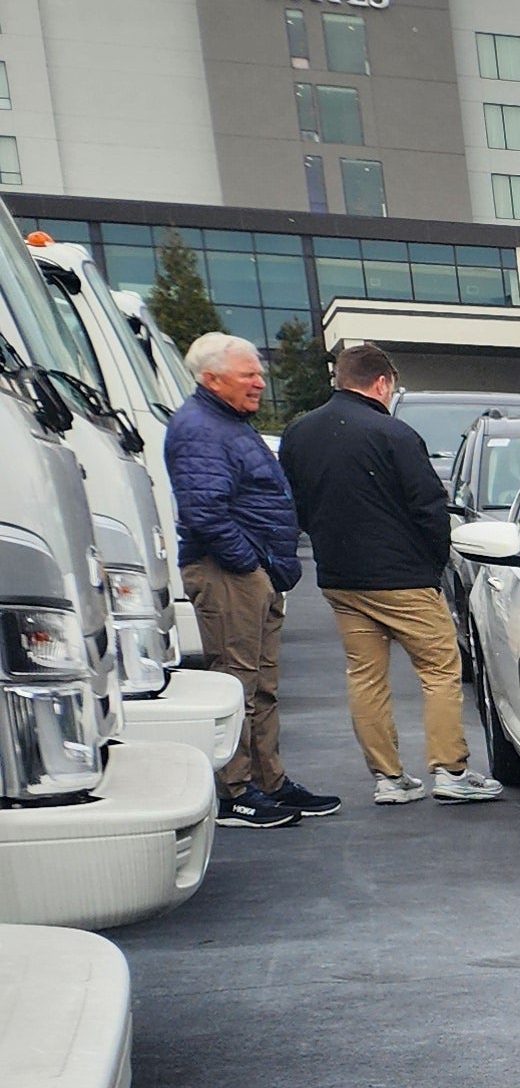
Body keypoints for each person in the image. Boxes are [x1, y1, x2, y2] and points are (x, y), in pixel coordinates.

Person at [277, 340, 503, 805]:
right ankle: (449, 768)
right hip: (403, 577)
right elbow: (428, 507)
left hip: (340, 576)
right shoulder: (395, 435)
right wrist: (434, 562)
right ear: (382, 383)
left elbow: (296, 506)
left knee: (365, 675)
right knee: (440, 668)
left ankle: (388, 778)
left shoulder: (299, 434)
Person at [160, 333, 336, 829]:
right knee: (237, 682)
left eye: (259, 373)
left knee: (261, 684)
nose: (260, 382)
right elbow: (203, 510)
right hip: (229, 574)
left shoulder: (226, 423)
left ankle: (270, 782)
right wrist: (249, 565)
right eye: (248, 375)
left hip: (249, 573)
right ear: (211, 378)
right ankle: (235, 792)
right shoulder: (200, 428)